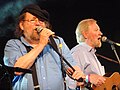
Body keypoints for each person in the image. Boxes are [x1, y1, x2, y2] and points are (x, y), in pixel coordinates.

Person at [3, 4, 85, 90]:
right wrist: (41, 44)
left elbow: (71, 65)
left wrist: (77, 73)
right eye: (33, 20)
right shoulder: (14, 45)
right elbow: (17, 69)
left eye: (41, 20)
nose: (38, 23)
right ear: (22, 25)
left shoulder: (57, 42)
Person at [70, 18, 106, 90]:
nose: (100, 33)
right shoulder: (78, 52)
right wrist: (88, 78)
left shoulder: (91, 53)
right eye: (96, 30)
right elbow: (70, 81)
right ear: (85, 34)